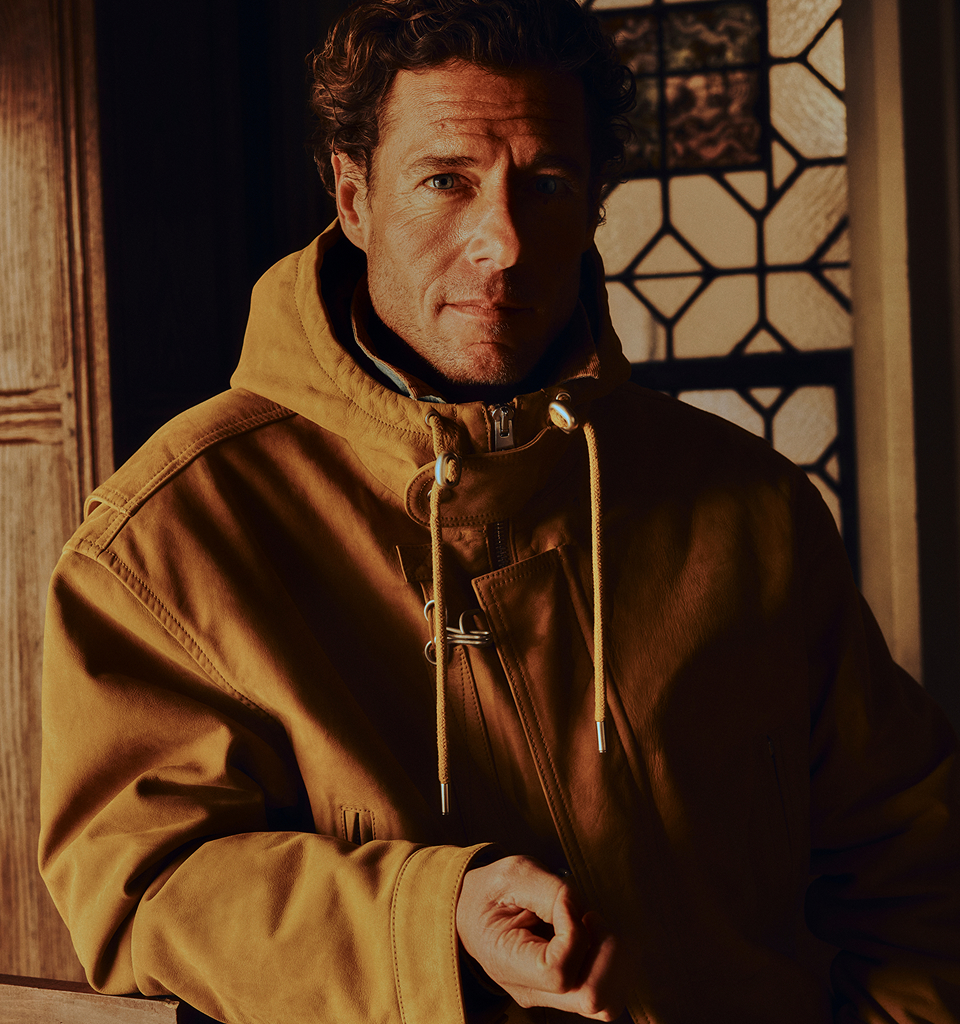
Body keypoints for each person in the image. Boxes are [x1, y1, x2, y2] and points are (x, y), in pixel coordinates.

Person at [39, 1, 960, 1022]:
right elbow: (141, 889)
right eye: (447, 181)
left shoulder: (752, 504)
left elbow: (913, 861)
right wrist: (436, 921)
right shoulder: (164, 538)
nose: (505, 242)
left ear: (594, 204)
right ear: (354, 198)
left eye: (548, 184)